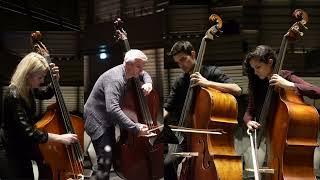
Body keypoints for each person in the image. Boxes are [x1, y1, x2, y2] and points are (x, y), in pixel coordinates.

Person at [163, 40, 242, 180]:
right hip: (188, 136)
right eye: (178, 62)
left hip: (209, 136)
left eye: (183, 59)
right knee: (168, 164)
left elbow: (237, 89)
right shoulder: (180, 82)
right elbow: (167, 108)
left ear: (193, 54)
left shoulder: (211, 72)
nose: (181, 65)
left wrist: (207, 83)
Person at [242, 45, 320, 178]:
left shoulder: (286, 76)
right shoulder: (258, 84)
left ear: (270, 62)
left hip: (294, 143)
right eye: (253, 68)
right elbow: (250, 110)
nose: (255, 72)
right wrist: (248, 121)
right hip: (272, 141)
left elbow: (317, 91)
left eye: (258, 67)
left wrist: (289, 84)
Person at [2, 52, 78, 179]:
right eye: (40, 77)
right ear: (27, 75)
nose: (42, 81)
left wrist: (55, 80)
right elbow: (29, 132)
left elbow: (45, 94)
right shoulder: (13, 94)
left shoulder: (27, 88)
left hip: (22, 147)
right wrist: (60, 138)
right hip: (10, 150)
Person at [84, 49, 156, 179]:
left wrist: (148, 83)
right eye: (139, 66)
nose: (141, 70)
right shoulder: (115, 79)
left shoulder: (129, 71)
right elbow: (112, 108)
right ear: (128, 64)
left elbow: (144, 74)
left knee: (110, 155)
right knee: (105, 161)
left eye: (142, 66)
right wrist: (135, 128)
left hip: (107, 118)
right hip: (97, 120)